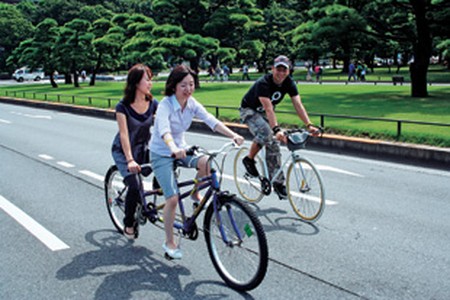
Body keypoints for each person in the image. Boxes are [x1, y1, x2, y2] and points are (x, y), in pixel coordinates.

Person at [149, 65, 244, 259]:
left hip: (182, 149)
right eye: (183, 85)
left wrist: (233, 135)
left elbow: (210, 120)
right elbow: (164, 131)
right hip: (162, 153)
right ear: (174, 86)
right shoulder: (165, 105)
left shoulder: (191, 103)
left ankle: (195, 194)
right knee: (173, 199)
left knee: (207, 164)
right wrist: (173, 148)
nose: (188, 89)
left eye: (191, 84)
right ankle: (169, 242)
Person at [239, 55, 320, 199]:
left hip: (264, 113)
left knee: (271, 142)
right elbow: (269, 108)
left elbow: (298, 105)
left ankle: (276, 181)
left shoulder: (289, 82)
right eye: (278, 69)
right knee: (267, 133)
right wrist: (276, 129)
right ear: (272, 69)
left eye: (284, 70)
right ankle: (249, 160)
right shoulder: (263, 83)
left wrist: (309, 125)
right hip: (249, 111)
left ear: (288, 71)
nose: (281, 73)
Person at [111, 64, 158, 240]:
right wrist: (130, 160)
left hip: (144, 148)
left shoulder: (153, 104)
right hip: (125, 151)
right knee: (135, 185)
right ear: (136, 83)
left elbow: (164, 127)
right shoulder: (122, 106)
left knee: (166, 167)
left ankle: (151, 197)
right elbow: (124, 135)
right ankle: (129, 223)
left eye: (151, 79)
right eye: (147, 79)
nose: (150, 83)